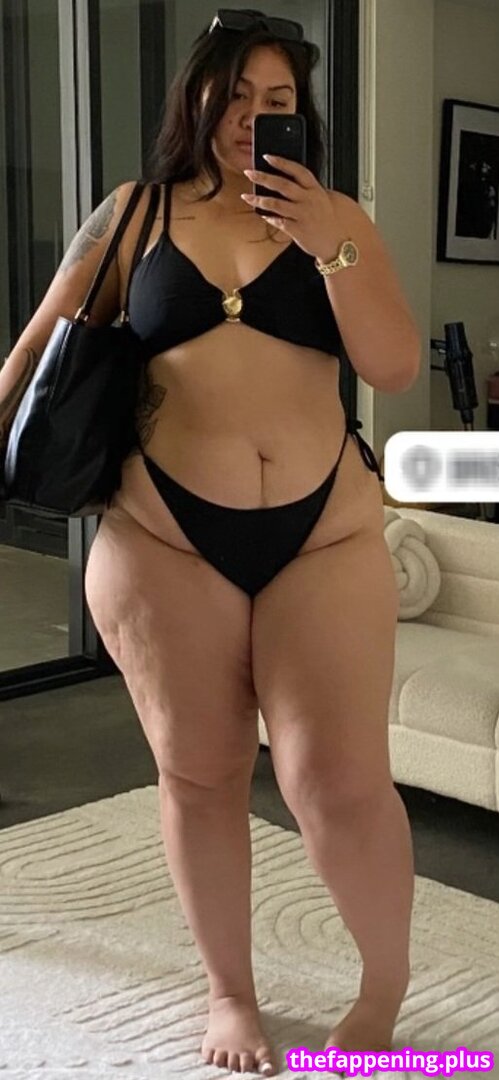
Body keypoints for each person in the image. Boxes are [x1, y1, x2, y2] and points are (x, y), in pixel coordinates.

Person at [0, 9, 421, 1076]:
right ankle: (229, 993)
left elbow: (392, 366)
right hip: (162, 538)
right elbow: (37, 348)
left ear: (300, 115)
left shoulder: (340, 220)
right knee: (197, 774)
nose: (249, 117)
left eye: (275, 102)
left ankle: (382, 989)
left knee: (338, 782)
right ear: (193, 96)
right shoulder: (133, 213)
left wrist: (327, 242)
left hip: (323, 534)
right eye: (233, 95)